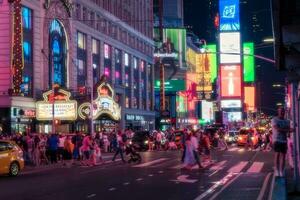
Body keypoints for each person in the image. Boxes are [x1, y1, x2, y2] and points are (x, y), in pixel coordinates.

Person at [272, 107, 292, 177]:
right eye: (280, 111)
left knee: (283, 156)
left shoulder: (287, 121)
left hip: (284, 140)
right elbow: (278, 129)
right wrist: (287, 130)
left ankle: (281, 171)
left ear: (284, 112)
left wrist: (289, 130)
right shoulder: (274, 119)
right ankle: (277, 170)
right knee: (277, 155)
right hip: (276, 140)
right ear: (278, 112)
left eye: (282, 111)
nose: (281, 112)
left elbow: (289, 129)